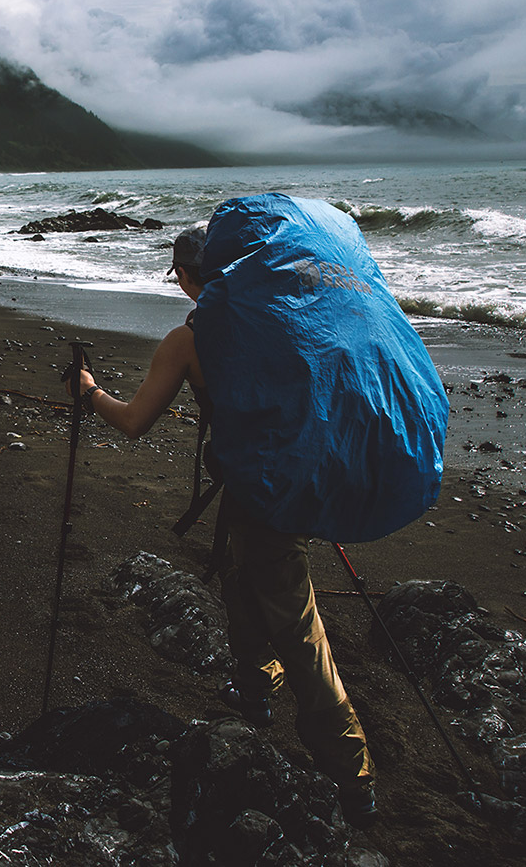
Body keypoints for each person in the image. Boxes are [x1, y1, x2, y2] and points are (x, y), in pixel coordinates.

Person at [68, 229, 378, 829]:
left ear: (186, 277)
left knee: (300, 631)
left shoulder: (190, 341)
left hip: (261, 500)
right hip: (298, 484)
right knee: (242, 586)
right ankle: (256, 693)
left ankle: (354, 775)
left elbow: (133, 422)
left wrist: (89, 392)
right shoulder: (284, 319)